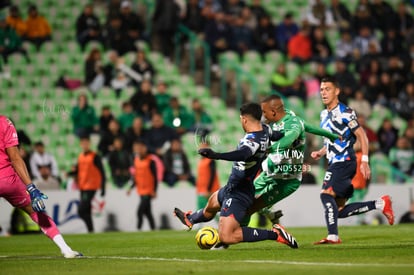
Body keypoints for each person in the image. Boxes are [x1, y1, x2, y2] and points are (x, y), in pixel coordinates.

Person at [175, 102, 298, 249]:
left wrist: (216, 155)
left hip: (240, 192)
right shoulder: (265, 130)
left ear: (244, 119)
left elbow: (243, 153)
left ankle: (275, 234)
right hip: (232, 186)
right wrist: (291, 137)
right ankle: (190, 219)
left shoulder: (254, 141)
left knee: (227, 236)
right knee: (211, 205)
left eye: (241, 119)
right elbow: (277, 135)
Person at [310, 76, 394, 244]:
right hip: (335, 162)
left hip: (345, 162)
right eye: (321, 89)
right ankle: (380, 204)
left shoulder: (345, 113)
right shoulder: (323, 114)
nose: (323, 93)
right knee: (338, 210)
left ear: (337, 91)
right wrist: (321, 151)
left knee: (325, 195)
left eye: (328, 89)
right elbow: (334, 140)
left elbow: (362, 136)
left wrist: (364, 160)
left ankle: (333, 236)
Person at [0, 115, 82, 258]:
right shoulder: (4, 122)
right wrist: (30, 187)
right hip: (8, 180)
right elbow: (15, 158)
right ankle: (66, 249)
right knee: (37, 213)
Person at [71, 135, 106, 233]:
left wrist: (103, 188)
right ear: (81, 144)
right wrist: (70, 173)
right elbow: (78, 171)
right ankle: (91, 231)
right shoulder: (81, 156)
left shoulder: (95, 156)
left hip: (91, 187)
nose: (85, 145)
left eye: (87, 143)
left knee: (81, 210)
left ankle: (90, 229)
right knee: (87, 210)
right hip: (82, 186)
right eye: (83, 143)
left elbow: (102, 172)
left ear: (89, 144)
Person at [127, 140, 158, 230]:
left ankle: (138, 229)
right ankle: (153, 229)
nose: (139, 150)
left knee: (139, 211)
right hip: (140, 190)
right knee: (147, 212)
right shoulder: (136, 161)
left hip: (148, 191)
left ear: (145, 149)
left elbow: (155, 178)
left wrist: (154, 190)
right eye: (138, 148)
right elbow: (135, 177)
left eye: (141, 148)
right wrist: (130, 188)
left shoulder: (151, 161)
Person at [195, 141, 220, 211]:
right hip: (201, 191)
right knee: (200, 211)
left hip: (209, 191)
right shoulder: (201, 161)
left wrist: (208, 190)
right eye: (201, 146)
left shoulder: (211, 160)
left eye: (204, 146)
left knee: (214, 211)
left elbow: (212, 175)